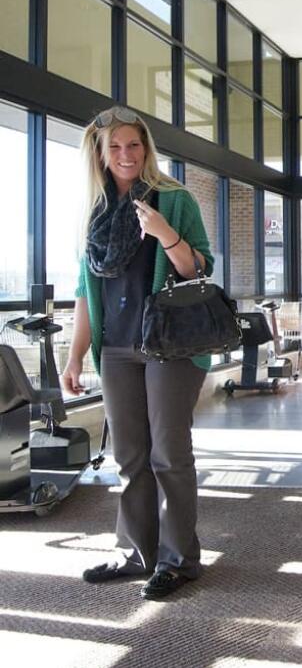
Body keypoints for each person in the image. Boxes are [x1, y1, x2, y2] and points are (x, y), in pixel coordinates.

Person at [62, 105, 216, 602]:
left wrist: (165, 234)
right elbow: (86, 293)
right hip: (118, 349)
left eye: (134, 145)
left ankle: (178, 561)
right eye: (116, 147)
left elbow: (198, 271)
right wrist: (75, 355)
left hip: (170, 347)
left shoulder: (174, 199)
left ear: (146, 149)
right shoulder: (96, 214)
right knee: (129, 457)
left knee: (169, 455)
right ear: (101, 155)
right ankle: (137, 554)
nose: (126, 154)